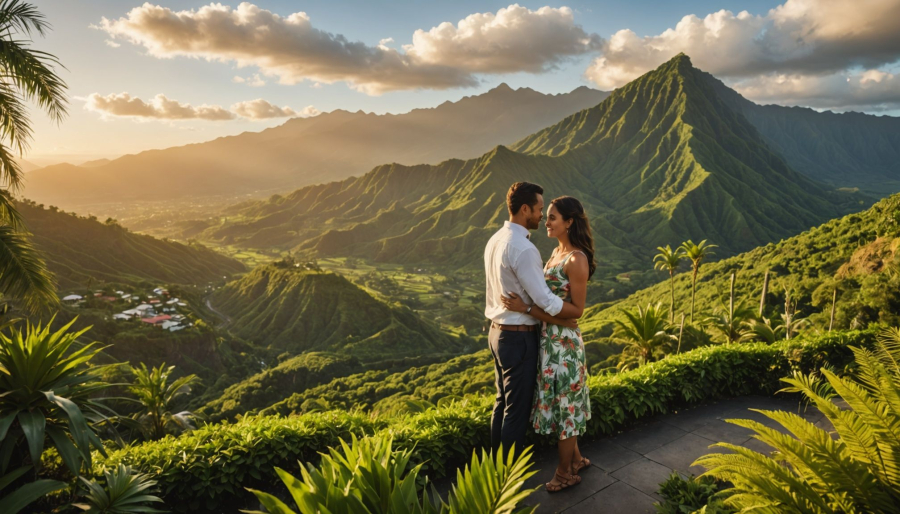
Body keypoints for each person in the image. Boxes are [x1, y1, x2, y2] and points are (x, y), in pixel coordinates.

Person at [502, 196, 595, 493]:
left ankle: (564, 472)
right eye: (547, 216)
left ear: (569, 222)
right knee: (560, 404)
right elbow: (553, 304)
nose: (547, 221)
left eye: (552, 217)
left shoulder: (576, 259)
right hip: (550, 340)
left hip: (564, 346)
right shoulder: (555, 253)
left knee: (566, 409)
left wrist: (527, 310)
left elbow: (576, 311)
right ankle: (577, 459)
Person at [484, 182, 582, 462]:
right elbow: (546, 300)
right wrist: (569, 316)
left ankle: (494, 468)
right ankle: (508, 478)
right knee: (515, 412)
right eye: (540, 210)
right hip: (517, 337)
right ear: (525, 209)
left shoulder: (496, 239)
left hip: (496, 334)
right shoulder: (524, 249)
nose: (541, 215)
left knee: (501, 403)